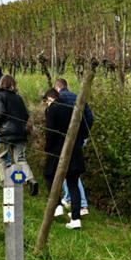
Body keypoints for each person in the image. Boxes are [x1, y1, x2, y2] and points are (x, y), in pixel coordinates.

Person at [43, 88, 84, 229]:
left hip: (57, 151)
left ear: (49, 98)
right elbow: (83, 128)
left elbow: (50, 132)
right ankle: (76, 219)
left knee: (49, 176)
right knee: (73, 184)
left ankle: (58, 205)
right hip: (75, 151)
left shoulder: (52, 110)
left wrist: (47, 147)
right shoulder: (73, 108)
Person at [54, 78, 93, 216]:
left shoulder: (57, 99)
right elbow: (90, 117)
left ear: (57, 87)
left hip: (64, 140)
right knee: (71, 171)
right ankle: (69, 199)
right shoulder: (77, 97)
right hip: (79, 139)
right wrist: (83, 135)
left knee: (70, 171)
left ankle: (82, 205)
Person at [0, 75, 37, 195]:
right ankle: (31, 179)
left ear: (1, 83)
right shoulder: (19, 98)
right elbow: (26, 115)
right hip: (20, 131)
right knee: (20, 158)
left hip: (6, 132)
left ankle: (4, 180)